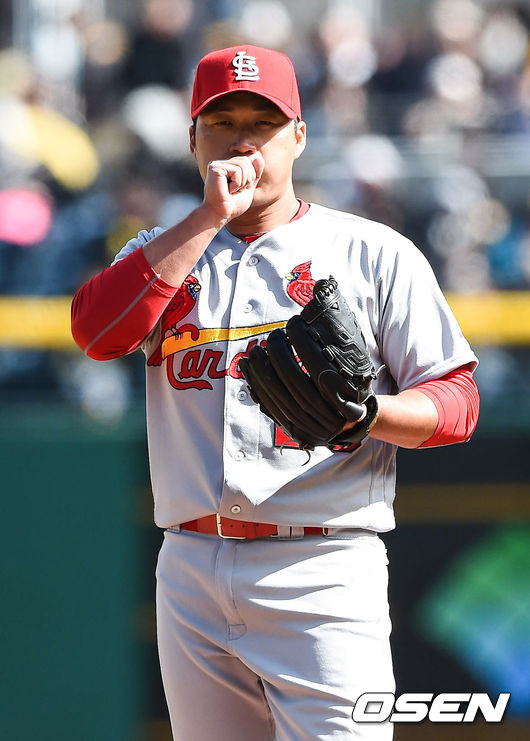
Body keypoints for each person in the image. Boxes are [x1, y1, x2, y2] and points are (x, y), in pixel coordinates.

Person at [71, 45, 480, 740]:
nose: (242, 140)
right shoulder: (162, 252)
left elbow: (457, 401)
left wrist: (368, 414)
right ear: (193, 138)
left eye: (263, 122)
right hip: (191, 566)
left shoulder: (371, 252)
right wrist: (205, 219)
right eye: (223, 121)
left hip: (323, 565)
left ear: (299, 135)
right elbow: (96, 332)